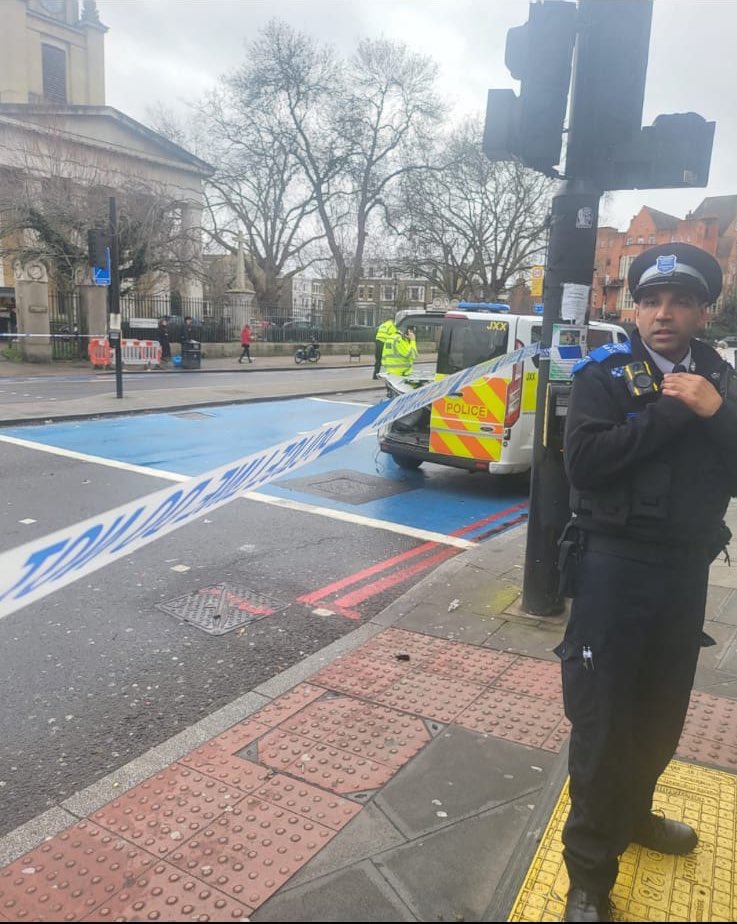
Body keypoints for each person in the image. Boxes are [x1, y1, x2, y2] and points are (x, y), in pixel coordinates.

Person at [557, 242, 737, 922]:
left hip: (683, 570)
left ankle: (633, 817)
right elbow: (586, 463)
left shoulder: (718, 377)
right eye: (651, 300)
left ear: (700, 310)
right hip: (613, 568)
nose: (663, 314)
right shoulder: (606, 372)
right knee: (602, 724)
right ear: (635, 307)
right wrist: (673, 410)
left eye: (680, 301)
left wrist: (716, 410)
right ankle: (588, 877)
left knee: (660, 716)